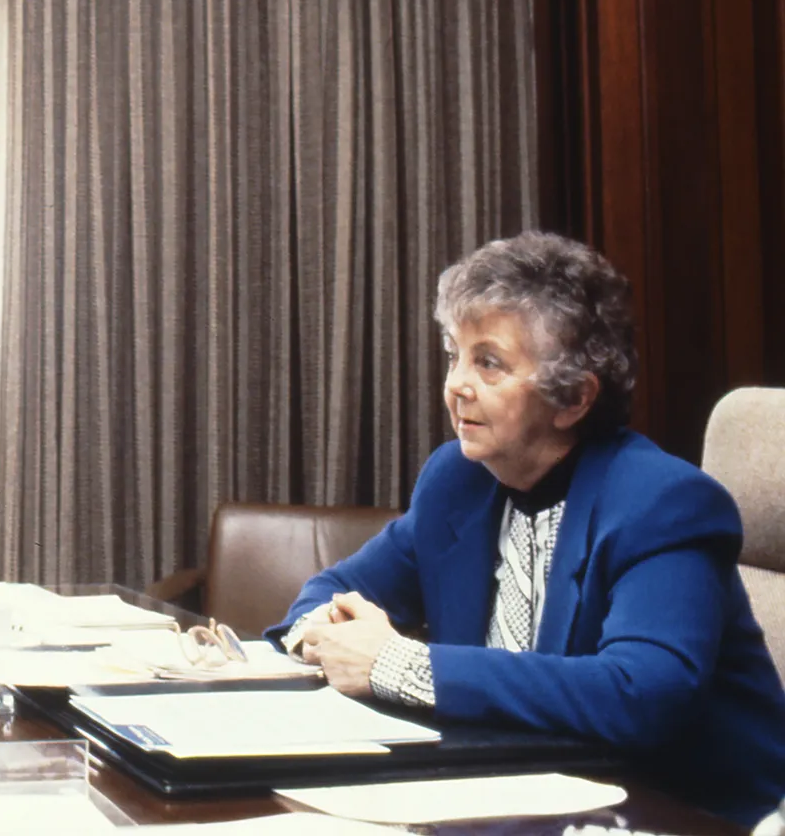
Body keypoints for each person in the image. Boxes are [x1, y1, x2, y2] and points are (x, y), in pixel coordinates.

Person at [266, 231, 785, 826]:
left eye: (489, 362)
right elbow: (335, 588)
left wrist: (395, 666)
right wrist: (322, 632)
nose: (456, 384)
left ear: (572, 399)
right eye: (454, 354)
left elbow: (643, 694)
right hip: (510, 797)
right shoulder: (457, 480)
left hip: (680, 813)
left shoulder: (662, 503)